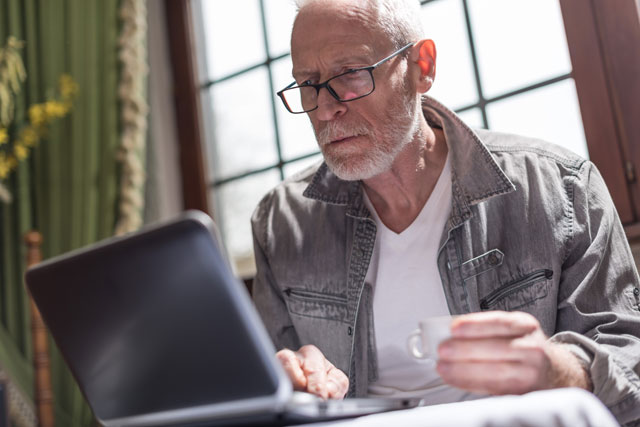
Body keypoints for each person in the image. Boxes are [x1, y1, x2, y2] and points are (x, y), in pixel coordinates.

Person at [250, 0, 640, 425]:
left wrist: (555, 369)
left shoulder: (562, 188)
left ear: (422, 66)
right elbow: (265, 397)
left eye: (350, 75)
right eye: (308, 83)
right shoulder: (279, 223)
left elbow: (630, 364)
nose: (326, 108)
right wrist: (288, 379)